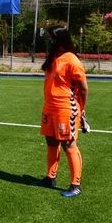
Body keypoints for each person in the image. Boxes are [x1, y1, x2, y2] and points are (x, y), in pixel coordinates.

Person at [34, 27, 89, 198]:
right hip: (49, 107)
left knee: (68, 144)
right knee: (51, 142)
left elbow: (84, 89)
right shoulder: (53, 57)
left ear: (61, 40)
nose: (50, 41)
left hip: (66, 108)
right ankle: (50, 178)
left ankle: (76, 184)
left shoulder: (72, 60)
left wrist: (81, 108)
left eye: (52, 38)